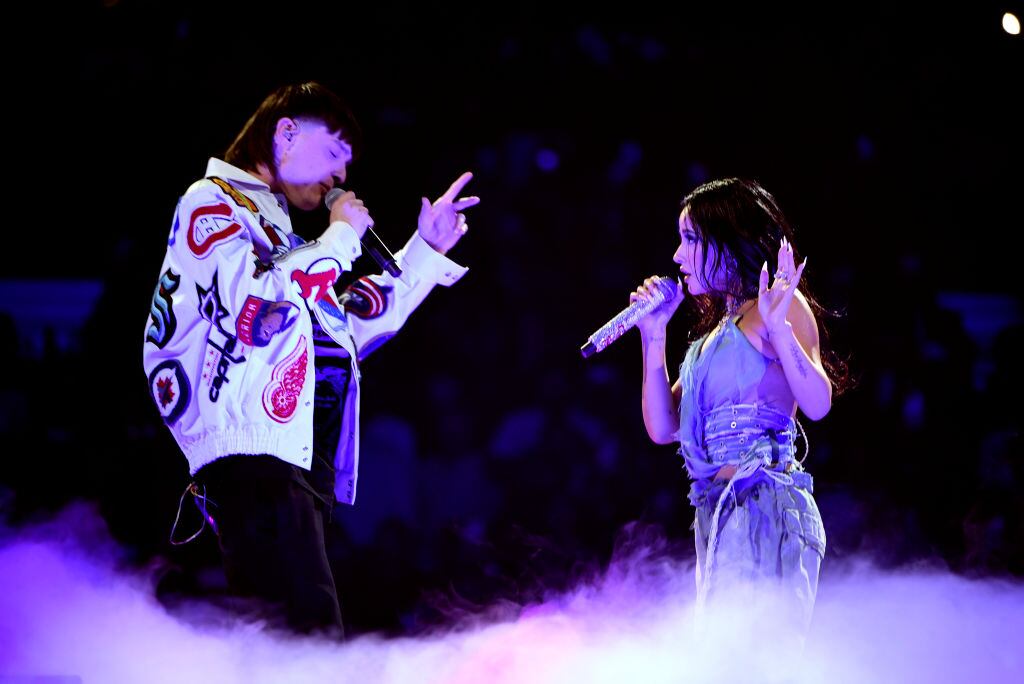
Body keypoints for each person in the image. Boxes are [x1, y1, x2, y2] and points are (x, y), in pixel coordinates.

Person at [143, 82, 479, 636]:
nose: (340, 177)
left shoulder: (282, 239)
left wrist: (423, 251)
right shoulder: (212, 202)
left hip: (294, 466)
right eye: (332, 154)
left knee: (294, 639)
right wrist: (342, 235)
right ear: (286, 132)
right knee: (306, 641)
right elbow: (256, 309)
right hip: (252, 459)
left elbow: (342, 328)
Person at [632, 178, 842, 633]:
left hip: (765, 507)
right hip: (717, 512)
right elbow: (662, 428)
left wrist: (780, 328)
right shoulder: (713, 337)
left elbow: (819, 402)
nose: (677, 255)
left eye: (690, 239)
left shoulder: (775, 307)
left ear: (727, 242)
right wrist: (654, 335)